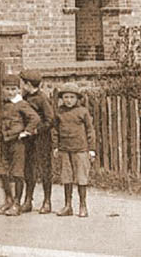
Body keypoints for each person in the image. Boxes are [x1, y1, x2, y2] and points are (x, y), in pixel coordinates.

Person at [0, 74, 40, 216]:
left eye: (13, 89)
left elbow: (35, 118)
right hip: (5, 142)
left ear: (18, 90)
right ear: (3, 89)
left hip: (18, 144)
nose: (10, 92)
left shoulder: (22, 104)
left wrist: (26, 132)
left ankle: (17, 203)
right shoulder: (4, 103)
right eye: (7, 89)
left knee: (17, 173)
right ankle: (8, 200)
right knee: (3, 171)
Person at [52, 84, 95, 218]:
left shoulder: (83, 112)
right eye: (66, 97)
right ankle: (68, 206)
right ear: (62, 98)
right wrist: (55, 146)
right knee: (66, 177)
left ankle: (83, 206)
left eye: (72, 97)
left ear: (77, 99)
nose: (68, 100)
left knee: (81, 178)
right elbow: (55, 131)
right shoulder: (59, 112)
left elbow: (90, 130)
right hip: (65, 149)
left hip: (80, 150)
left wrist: (91, 149)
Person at [20, 69, 56, 213]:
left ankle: (47, 201)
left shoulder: (42, 98)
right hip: (28, 139)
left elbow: (50, 120)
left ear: (29, 84)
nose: (22, 86)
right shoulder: (24, 97)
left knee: (44, 169)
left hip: (41, 139)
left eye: (24, 83)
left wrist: (37, 130)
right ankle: (28, 200)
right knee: (28, 169)